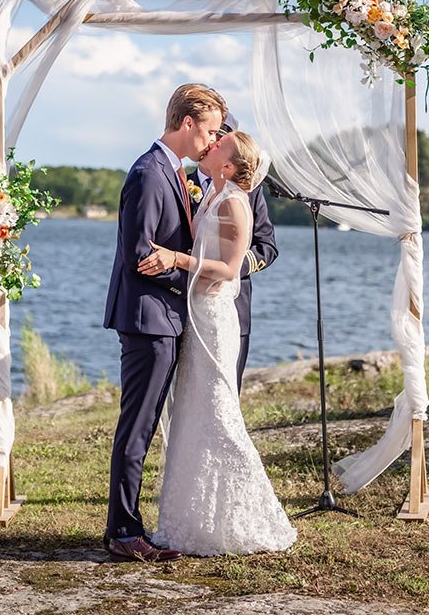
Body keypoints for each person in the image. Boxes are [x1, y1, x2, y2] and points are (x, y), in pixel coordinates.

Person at [138, 130, 297, 556]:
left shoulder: (235, 201)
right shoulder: (205, 190)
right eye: (212, 138)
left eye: (218, 146)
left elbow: (231, 266)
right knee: (191, 413)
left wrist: (179, 261)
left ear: (228, 166)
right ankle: (193, 521)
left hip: (216, 318)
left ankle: (248, 514)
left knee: (220, 413)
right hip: (194, 316)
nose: (209, 146)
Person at [103, 83, 227, 563]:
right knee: (137, 425)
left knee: (147, 422)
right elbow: (140, 255)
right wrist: (193, 283)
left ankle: (126, 524)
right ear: (187, 123)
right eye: (211, 131)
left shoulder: (173, 171)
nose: (213, 142)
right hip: (148, 318)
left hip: (163, 316)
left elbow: (162, 253)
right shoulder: (149, 174)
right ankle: (122, 530)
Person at [187, 113, 278, 393]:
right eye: (214, 135)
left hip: (229, 302)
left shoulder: (248, 193)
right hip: (186, 300)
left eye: (221, 138)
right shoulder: (179, 182)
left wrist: (225, 270)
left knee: (224, 390)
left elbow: (267, 247)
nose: (213, 142)